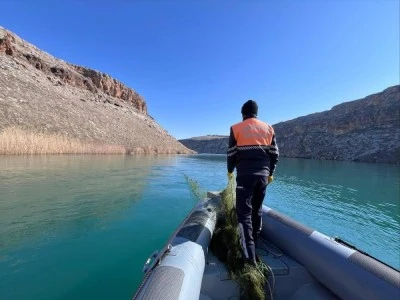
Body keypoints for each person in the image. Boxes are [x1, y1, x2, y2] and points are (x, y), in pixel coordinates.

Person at [227, 99, 279, 266]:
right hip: (263, 177)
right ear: (256, 113)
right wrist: (270, 173)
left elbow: (231, 154)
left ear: (243, 113)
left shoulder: (236, 128)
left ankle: (249, 256)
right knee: (256, 210)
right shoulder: (269, 128)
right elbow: (274, 155)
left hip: (245, 177)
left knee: (244, 214)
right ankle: (254, 244)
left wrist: (230, 171)